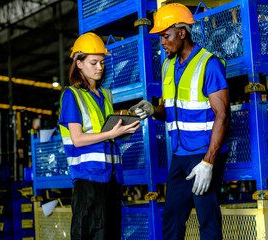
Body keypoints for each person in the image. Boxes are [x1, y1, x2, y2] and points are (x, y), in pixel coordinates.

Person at [129, 3, 230, 240]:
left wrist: (208, 163)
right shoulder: (167, 65)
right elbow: (169, 111)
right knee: (172, 218)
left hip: (204, 155)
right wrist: (152, 109)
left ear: (182, 33)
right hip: (179, 155)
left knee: (208, 221)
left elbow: (223, 114)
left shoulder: (209, 64)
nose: (162, 42)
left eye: (165, 36)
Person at [59, 32, 140, 240]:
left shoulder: (106, 94)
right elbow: (77, 139)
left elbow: (107, 133)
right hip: (88, 178)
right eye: (93, 62)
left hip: (112, 177)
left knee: (111, 233)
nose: (99, 67)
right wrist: (111, 133)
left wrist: (125, 128)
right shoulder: (72, 95)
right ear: (79, 64)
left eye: (102, 62)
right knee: (88, 233)